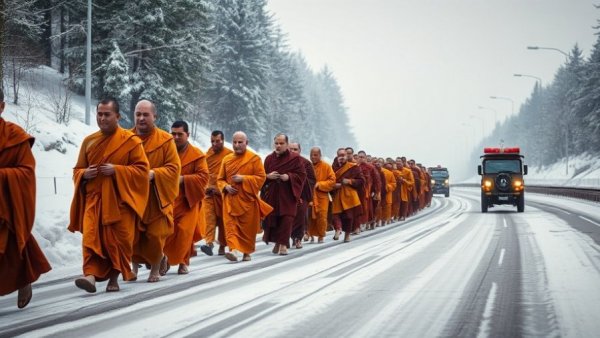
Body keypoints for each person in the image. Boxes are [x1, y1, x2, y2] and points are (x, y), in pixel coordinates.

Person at [69, 98, 149, 293]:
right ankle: (90, 276)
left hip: (120, 202)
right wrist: (83, 174)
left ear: (118, 116)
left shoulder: (131, 142)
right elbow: (77, 169)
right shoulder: (89, 141)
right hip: (93, 201)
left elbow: (142, 171)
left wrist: (117, 170)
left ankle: (114, 278)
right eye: (99, 114)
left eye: (107, 114)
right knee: (90, 239)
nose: (102, 118)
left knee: (117, 242)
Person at [0, 89, 51, 307]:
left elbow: (26, 172)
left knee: (11, 245)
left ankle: (24, 278)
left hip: (6, 206)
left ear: (2, 107)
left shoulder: (14, 135)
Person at [131, 100, 181, 282]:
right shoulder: (126, 138)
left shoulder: (166, 140)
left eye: (146, 115)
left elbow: (174, 168)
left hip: (156, 196)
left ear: (155, 117)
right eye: (138, 114)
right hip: (133, 195)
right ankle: (134, 268)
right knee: (132, 234)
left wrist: (154, 174)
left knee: (154, 235)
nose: (141, 118)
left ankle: (154, 267)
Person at [218, 131, 272, 262]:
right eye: (234, 142)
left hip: (247, 202)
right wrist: (225, 187)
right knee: (230, 227)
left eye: (240, 142)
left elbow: (261, 178)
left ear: (246, 143)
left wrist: (244, 179)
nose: (237, 145)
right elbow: (220, 179)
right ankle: (233, 250)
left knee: (247, 229)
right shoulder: (226, 159)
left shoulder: (254, 159)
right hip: (230, 201)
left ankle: (246, 252)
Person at [163, 121, 209, 275]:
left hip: (188, 200)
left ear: (187, 135)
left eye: (180, 134)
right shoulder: (165, 152)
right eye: (173, 133)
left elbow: (203, 177)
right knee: (167, 231)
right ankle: (166, 258)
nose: (176, 137)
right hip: (167, 199)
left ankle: (181, 261)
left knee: (184, 231)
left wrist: (183, 179)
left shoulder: (196, 155)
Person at [261, 134, 306, 255]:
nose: (278, 146)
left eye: (281, 143)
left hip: (288, 194)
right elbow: (261, 176)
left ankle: (283, 245)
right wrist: (268, 177)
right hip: (273, 194)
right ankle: (277, 242)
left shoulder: (295, 158)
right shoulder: (269, 159)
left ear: (287, 144)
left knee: (287, 218)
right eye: (276, 143)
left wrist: (289, 177)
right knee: (274, 219)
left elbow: (302, 175)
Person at [200, 131, 233, 256]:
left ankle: (223, 246)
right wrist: (205, 187)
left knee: (223, 221)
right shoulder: (207, 155)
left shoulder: (229, 155)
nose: (214, 144)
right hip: (209, 193)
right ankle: (209, 243)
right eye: (212, 141)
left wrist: (220, 189)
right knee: (209, 218)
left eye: (217, 141)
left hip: (223, 193)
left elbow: (229, 176)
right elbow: (204, 174)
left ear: (223, 140)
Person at [331, 148, 364, 243]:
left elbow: (361, 181)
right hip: (337, 194)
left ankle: (347, 235)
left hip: (349, 195)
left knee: (348, 217)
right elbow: (329, 179)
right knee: (335, 215)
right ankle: (338, 229)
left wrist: (350, 181)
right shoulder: (332, 167)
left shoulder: (353, 167)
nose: (341, 157)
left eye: (343, 155)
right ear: (337, 156)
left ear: (347, 156)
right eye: (339, 155)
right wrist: (333, 185)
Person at [289, 142, 316, 248]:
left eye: (295, 149)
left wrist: (298, 182)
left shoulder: (306, 163)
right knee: (288, 218)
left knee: (300, 217)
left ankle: (297, 238)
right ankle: (288, 238)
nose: (293, 151)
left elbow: (312, 180)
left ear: (299, 151)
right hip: (287, 195)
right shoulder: (283, 162)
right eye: (290, 149)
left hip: (302, 195)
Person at [306, 147, 336, 243]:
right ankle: (310, 234)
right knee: (310, 216)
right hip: (310, 195)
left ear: (320, 155)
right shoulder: (307, 166)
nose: (313, 157)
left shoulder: (326, 166)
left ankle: (321, 235)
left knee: (322, 216)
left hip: (322, 196)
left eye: (315, 155)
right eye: (311, 155)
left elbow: (332, 181)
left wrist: (320, 184)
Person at [357, 151, 380, 230]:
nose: (361, 159)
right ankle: (359, 224)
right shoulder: (355, 167)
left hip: (368, 191)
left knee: (367, 208)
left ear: (365, 158)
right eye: (359, 157)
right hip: (357, 191)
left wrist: (376, 191)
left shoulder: (371, 167)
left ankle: (365, 223)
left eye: (362, 157)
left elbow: (376, 180)